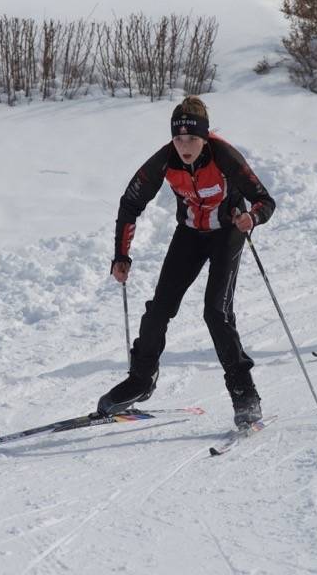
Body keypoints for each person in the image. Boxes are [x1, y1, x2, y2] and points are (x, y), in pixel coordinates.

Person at [98, 96, 276, 427]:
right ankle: (141, 380)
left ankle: (245, 394)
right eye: (178, 139)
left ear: (205, 137)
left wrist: (252, 217)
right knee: (159, 309)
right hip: (190, 234)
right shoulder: (165, 160)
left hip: (228, 233)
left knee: (215, 312)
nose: (185, 146)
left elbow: (265, 200)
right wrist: (121, 255)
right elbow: (130, 202)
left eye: (192, 138)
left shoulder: (223, 155)